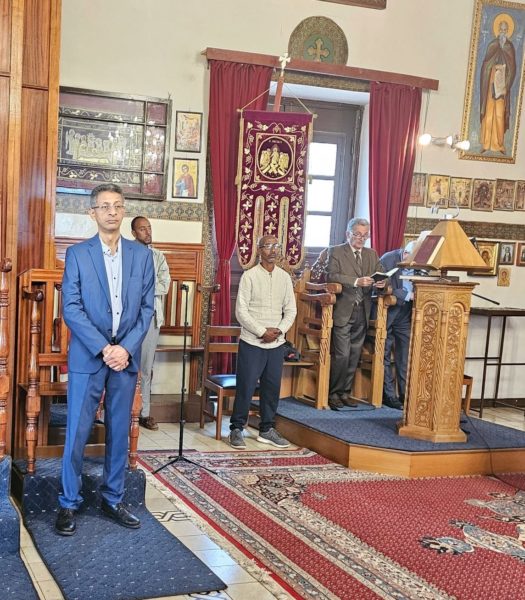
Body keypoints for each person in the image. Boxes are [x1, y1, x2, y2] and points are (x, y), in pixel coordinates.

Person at [55, 183, 154, 536]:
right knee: (78, 432)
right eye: (104, 206)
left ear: (123, 210)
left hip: (125, 358)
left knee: (118, 431)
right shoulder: (78, 254)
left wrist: (125, 348)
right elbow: (71, 308)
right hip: (89, 356)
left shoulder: (141, 256)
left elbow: (146, 308)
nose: (112, 211)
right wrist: (104, 348)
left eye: (117, 205)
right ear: (92, 212)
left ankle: (113, 499)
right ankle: (68, 502)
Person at [228, 235, 297, 449]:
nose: (273, 250)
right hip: (252, 342)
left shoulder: (284, 277)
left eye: (276, 245)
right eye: (268, 246)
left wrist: (280, 330)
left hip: (276, 343)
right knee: (246, 386)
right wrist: (261, 331)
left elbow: (291, 310)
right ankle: (236, 429)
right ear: (259, 250)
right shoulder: (249, 276)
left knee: (271, 387)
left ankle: (267, 429)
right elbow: (241, 311)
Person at [326, 218, 385, 410]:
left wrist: (382, 283)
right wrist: (355, 281)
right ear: (348, 234)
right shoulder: (336, 251)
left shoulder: (371, 254)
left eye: (365, 235)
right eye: (357, 234)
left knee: (354, 355)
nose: (361, 239)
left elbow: (383, 274)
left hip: (363, 310)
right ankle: (333, 393)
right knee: (342, 355)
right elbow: (331, 275)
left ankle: (345, 393)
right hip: (343, 310)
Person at [131, 216, 171, 431]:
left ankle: (144, 413)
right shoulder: (126, 254)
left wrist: (143, 289)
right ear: (134, 233)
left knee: (146, 368)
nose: (148, 232)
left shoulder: (158, 256)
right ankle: (122, 411)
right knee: (124, 366)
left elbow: (164, 285)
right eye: (142, 229)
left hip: (151, 318)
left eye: (149, 228)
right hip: (128, 320)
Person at [380, 241, 418, 410]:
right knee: (385, 354)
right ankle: (388, 395)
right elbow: (381, 285)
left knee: (405, 355)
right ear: (406, 254)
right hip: (387, 311)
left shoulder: (420, 262)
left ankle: (405, 394)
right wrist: (407, 295)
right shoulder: (388, 259)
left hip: (406, 313)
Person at [479, 15, 516, 154]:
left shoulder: (509, 47)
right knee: (489, 112)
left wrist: (506, 84)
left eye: (505, 30)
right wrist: (492, 69)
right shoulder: (493, 45)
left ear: (508, 31)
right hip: (490, 83)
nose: (503, 32)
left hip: (502, 86)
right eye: (501, 29)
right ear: (498, 30)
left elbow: (513, 68)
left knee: (500, 114)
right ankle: (486, 143)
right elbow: (485, 64)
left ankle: (499, 144)